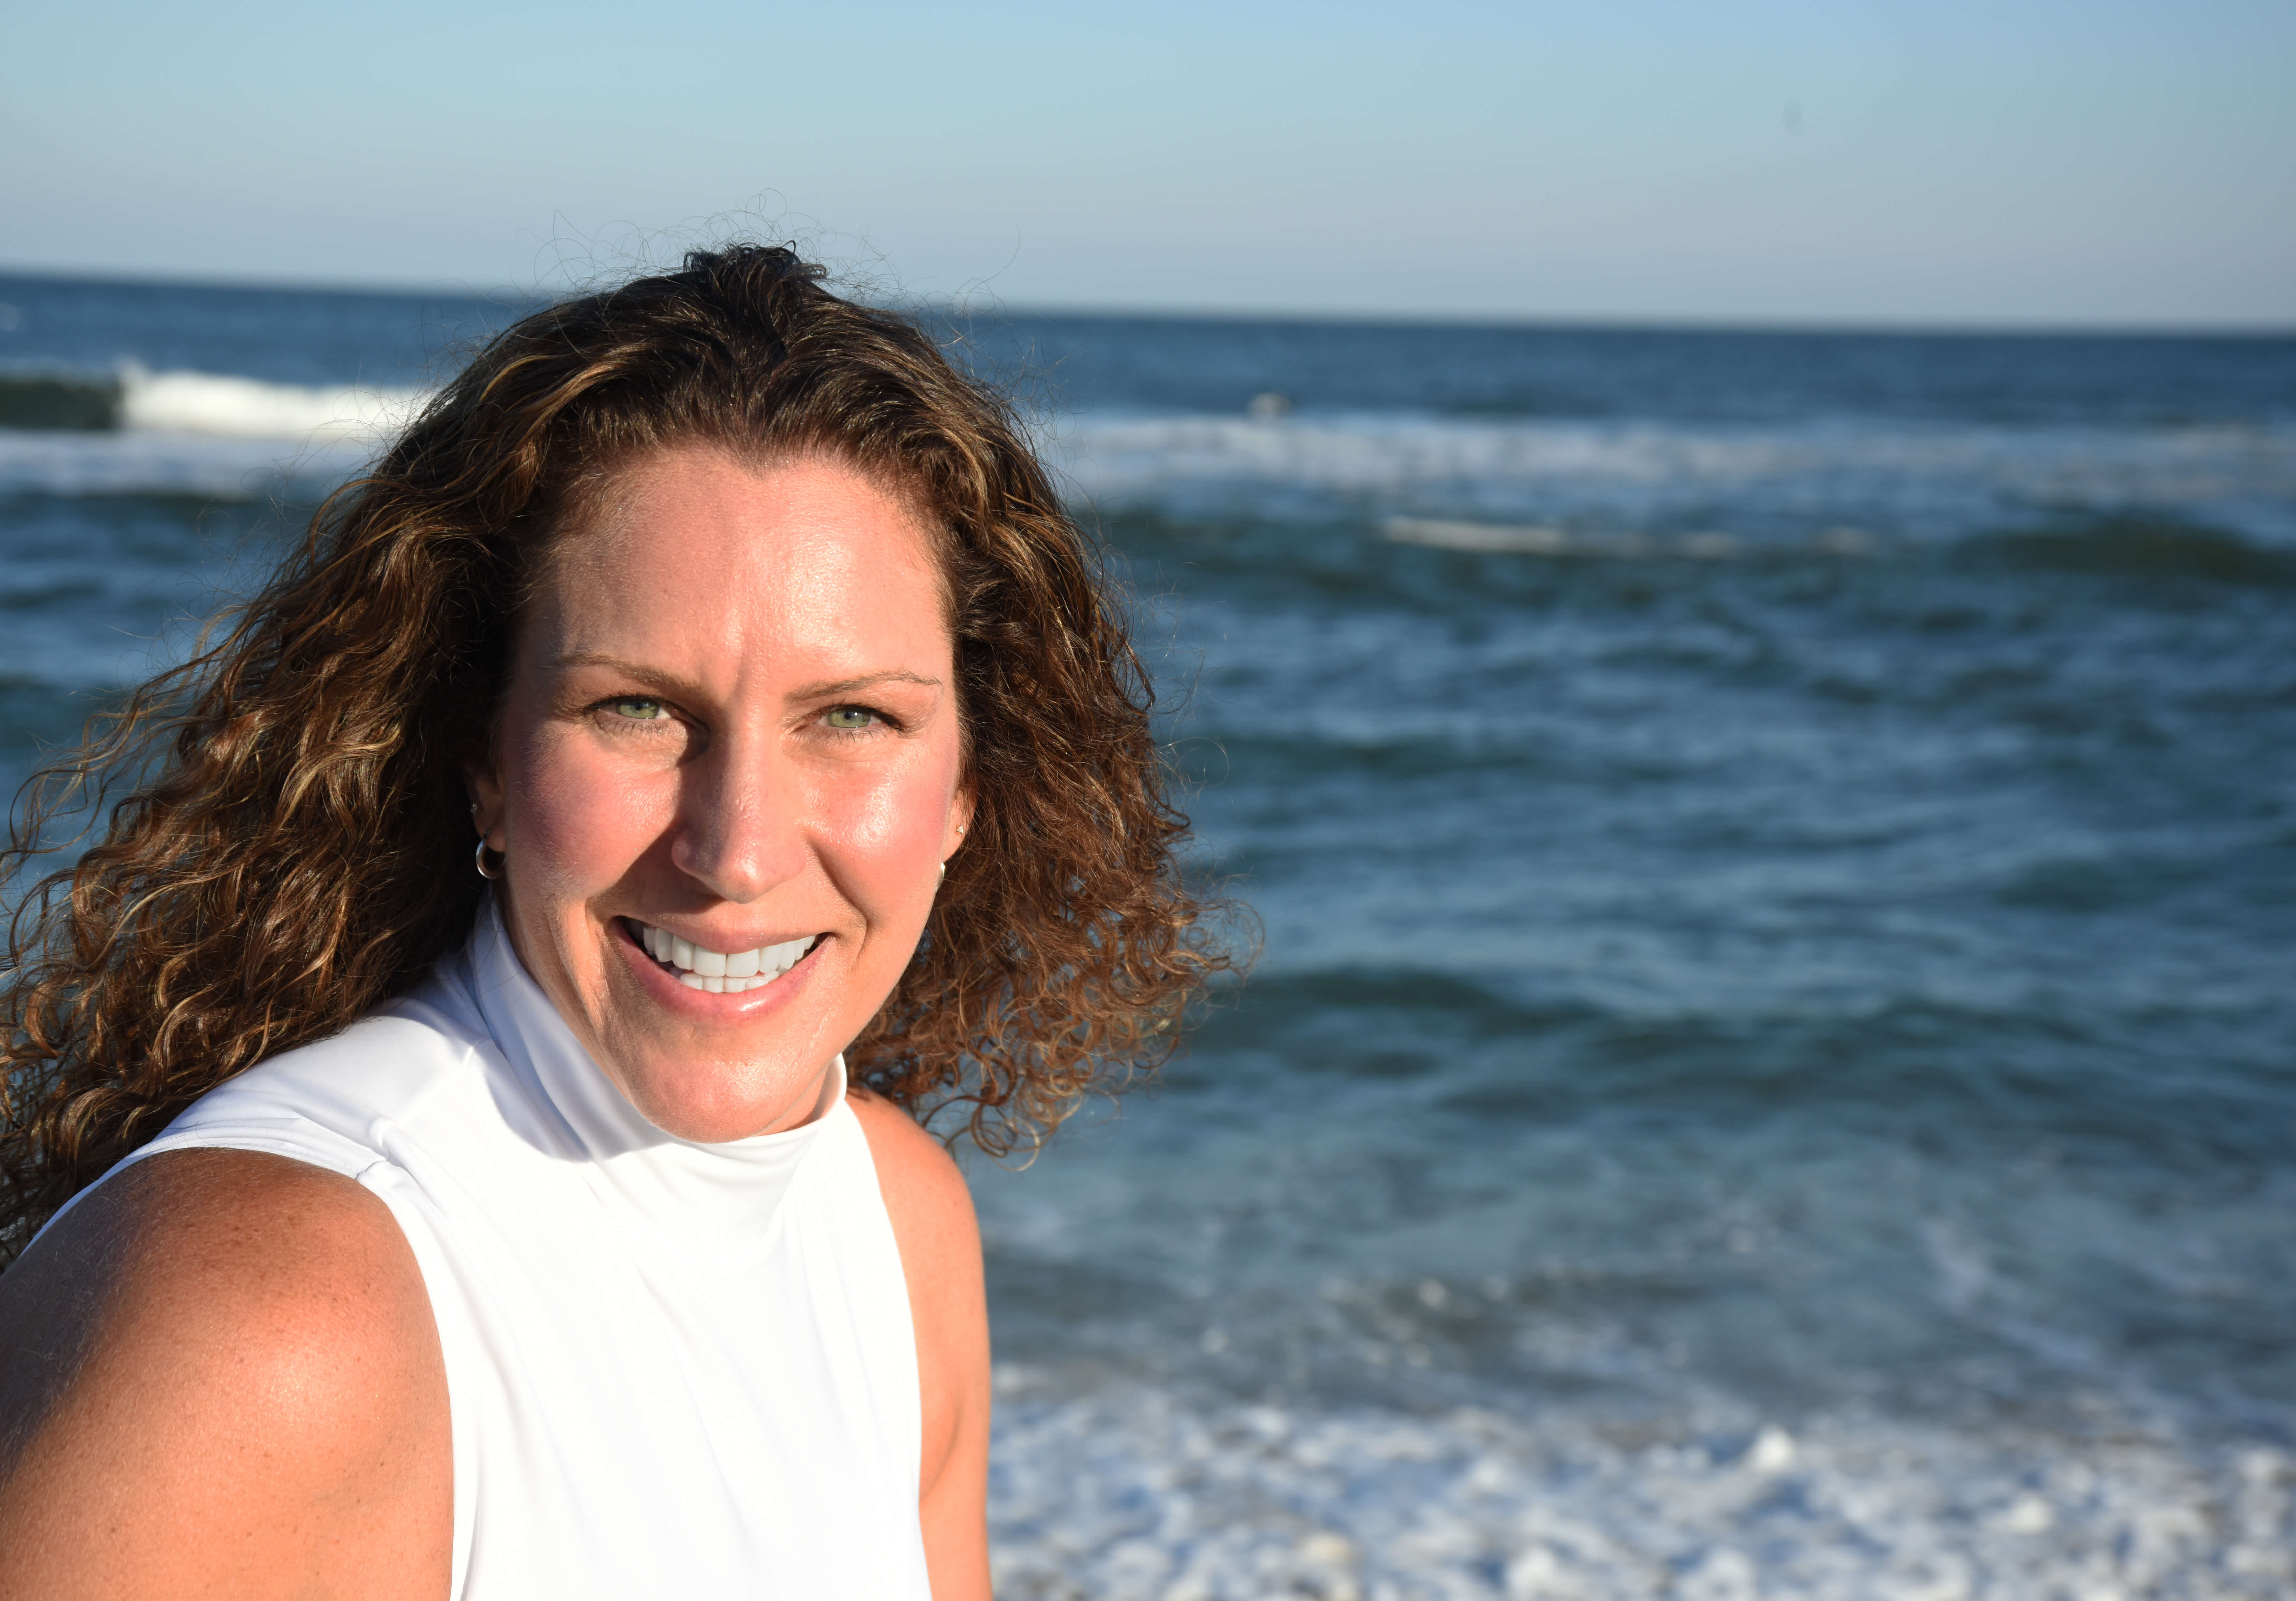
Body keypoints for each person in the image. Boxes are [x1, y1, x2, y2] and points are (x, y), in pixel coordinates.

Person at [0, 246, 1228, 1598]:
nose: (739, 851)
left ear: (965, 793)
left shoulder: (894, 1221)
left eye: (855, 717)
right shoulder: (275, 1318)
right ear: (488, 759)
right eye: (637, 708)